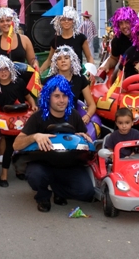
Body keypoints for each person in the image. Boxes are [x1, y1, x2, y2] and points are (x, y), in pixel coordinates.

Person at [13, 75, 95, 212]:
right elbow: (16, 144)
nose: (61, 100)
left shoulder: (74, 115)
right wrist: (35, 136)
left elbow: (86, 141)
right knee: (36, 176)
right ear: (48, 97)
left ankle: (58, 191)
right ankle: (43, 195)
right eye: (57, 96)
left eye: (64, 96)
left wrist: (83, 137)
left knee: (86, 193)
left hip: (68, 164)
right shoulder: (37, 117)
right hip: (43, 164)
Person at [0, 55, 36, 187]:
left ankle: (20, 169)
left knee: (23, 147)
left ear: (11, 70)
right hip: (7, 123)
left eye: (6, 69)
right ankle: (4, 175)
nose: (3, 72)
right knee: (9, 148)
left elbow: (28, 96)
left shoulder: (18, 82)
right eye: (0, 70)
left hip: (22, 119)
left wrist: (33, 105)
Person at [45, 46, 96, 126]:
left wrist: (88, 116)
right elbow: (42, 104)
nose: (63, 61)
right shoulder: (48, 81)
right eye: (59, 59)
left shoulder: (80, 79)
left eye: (66, 58)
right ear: (55, 63)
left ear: (72, 60)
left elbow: (92, 104)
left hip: (73, 120)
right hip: (52, 121)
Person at [39, 6, 94, 73]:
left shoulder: (80, 38)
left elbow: (89, 57)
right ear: (59, 21)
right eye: (63, 19)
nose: (66, 21)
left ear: (73, 21)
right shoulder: (55, 40)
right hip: (60, 77)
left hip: (77, 76)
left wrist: (91, 70)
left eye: (69, 19)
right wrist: (39, 72)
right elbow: (49, 60)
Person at [0, 8, 38, 72]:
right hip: (2, 78)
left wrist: (35, 63)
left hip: (21, 78)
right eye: (2, 21)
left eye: (8, 20)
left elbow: (32, 60)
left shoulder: (25, 40)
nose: (5, 23)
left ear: (13, 22)